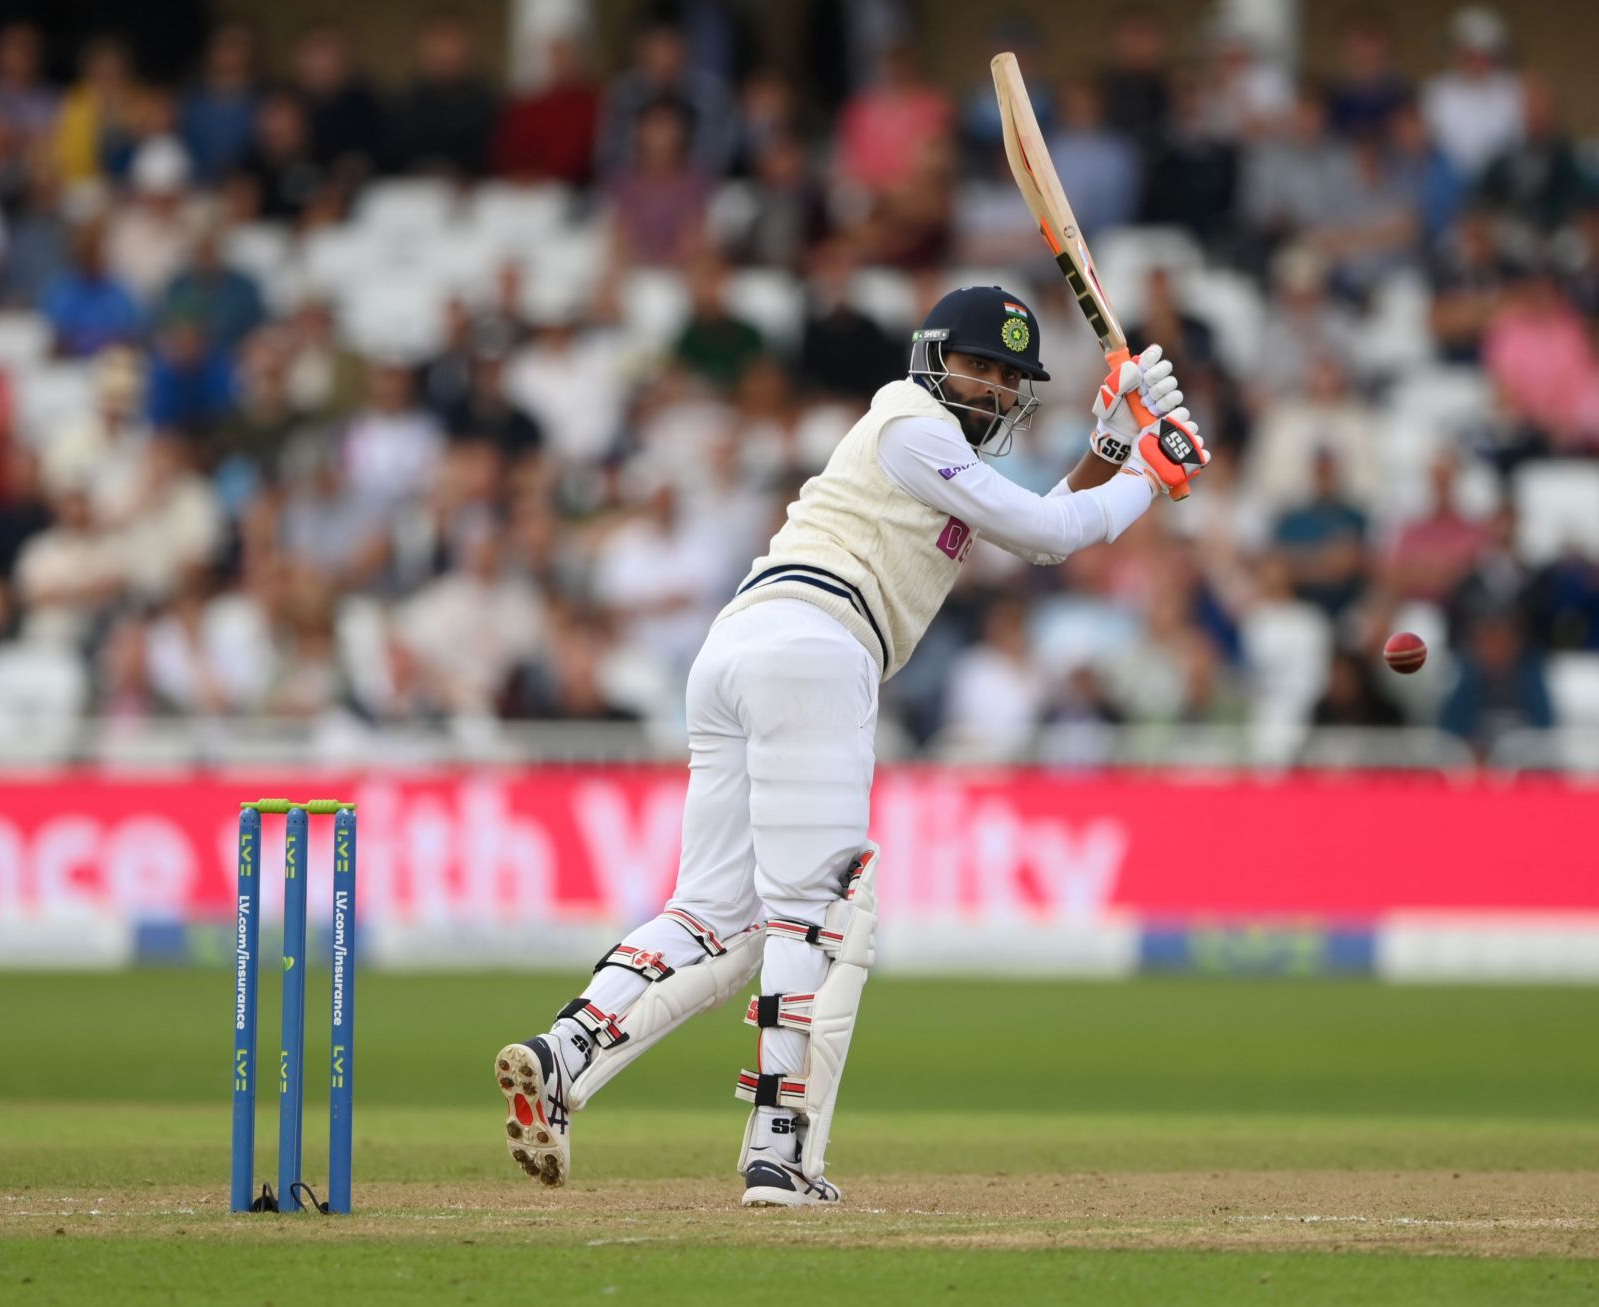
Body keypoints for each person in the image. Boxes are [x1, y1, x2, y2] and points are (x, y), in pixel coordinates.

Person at [493, 287, 1209, 1206]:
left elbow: (1036, 528)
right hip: (816, 646)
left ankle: (563, 1057)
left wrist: (1113, 447)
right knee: (822, 913)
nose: (989, 387)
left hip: (741, 646)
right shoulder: (910, 424)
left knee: (716, 910)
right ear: (931, 355)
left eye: (1005, 376)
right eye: (976, 364)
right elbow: (1045, 531)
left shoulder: (935, 446)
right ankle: (781, 1156)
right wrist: (1150, 474)